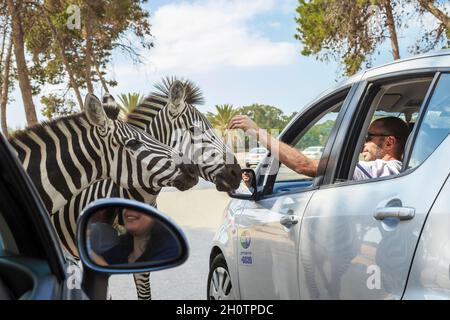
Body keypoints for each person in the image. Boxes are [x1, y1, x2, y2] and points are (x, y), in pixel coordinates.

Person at [228, 115, 410, 181]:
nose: (363, 143)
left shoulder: (383, 170)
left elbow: (304, 165)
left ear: (389, 142)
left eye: (369, 137)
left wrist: (257, 131)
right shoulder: (403, 171)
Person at [99, 208, 180, 265]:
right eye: (125, 205)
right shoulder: (118, 249)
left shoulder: (169, 250)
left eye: (140, 207)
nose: (129, 208)